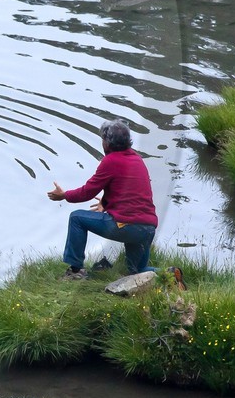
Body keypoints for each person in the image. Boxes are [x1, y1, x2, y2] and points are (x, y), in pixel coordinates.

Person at [47, 119, 157, 280]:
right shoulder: (137, 159)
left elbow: (87, 192)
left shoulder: (111, 161)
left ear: (107, 143)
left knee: (77, 218)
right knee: (138, 272)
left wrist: (64, 195)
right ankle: (169, 273)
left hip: (127, 226)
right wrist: (105, 203)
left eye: (103, 139)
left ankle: (75, 271)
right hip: (148, 229)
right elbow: (130, 191)